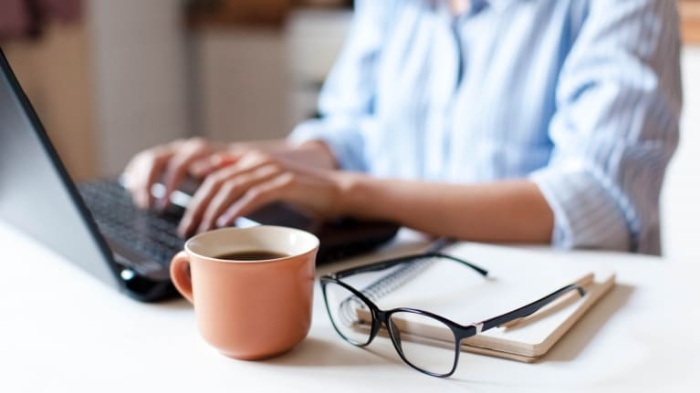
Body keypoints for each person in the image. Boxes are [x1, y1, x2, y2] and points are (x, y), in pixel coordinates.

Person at [122, 0, 682, 255]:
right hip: (411, 299)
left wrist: (350, 193)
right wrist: (236, 163)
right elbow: (358, 134)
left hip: (559, 319)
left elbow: (599, 202)